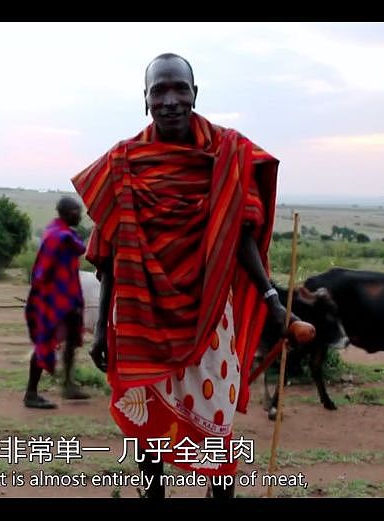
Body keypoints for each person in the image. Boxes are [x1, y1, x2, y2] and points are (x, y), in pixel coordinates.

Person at [70, 53, 289, 498]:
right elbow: (109, 254)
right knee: (149, 434)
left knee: (216, 424)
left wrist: (272, 299)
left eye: (179, 89)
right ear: (145, 99)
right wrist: (99, 335)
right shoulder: (123, 162)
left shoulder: (226, 154)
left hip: (208, 315)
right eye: (159, 91)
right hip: (140, 315)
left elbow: (241, 236)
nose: (169, 100)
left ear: (195, 93)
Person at [23, 196, 91, 409]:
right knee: (45, 342)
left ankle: (68, 385)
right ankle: (31, 394)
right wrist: (46, 299)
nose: (80, 215)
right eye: (77, 211)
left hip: (67, 298)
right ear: (68, 213)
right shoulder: (57, 237)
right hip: (51, 300)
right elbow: (42, 271)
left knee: (71, 339)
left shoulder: (65, 235)